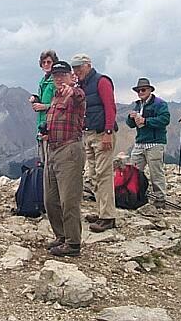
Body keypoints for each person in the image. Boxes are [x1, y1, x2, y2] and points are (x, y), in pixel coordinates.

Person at [41, 61, 86, 257]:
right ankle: (61, 236)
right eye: (55, 75)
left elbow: (79, 97)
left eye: (62, 74)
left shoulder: (75, 94)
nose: (58, 78)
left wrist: (72, 90)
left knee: (69, 199)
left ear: (70, 76)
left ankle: (73, 243)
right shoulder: (55, 97)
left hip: (70, 150)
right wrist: (47, 133)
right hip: (52, 150)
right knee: (50, 200)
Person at [70, 53, 117, 233]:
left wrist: (107, 132)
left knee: (103, 174)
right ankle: (102, 211)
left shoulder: (101, 81)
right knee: (95, 175)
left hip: (101, 134)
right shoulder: (82, 85)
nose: (76, 71)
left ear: (88, 65)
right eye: (74, 68)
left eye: (79, 67)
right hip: (89, 133)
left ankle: (108, 217)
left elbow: (110, 107)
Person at [126, 78, 170, 208]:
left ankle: (160, 199)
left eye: (143, 90)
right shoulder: (138, 105)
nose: (140, 92)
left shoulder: (160, 104)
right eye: (138, 90)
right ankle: (135, 196)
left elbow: (165, 119)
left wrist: (146, 121)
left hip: (155, 143)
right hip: (140, 142)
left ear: (150, 90)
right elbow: (130, 125)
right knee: (134, 171)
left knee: (155, 171)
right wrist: (131, 118)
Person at [28, 50, 58, 165]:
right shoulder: (43, 81)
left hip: (51, 125)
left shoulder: (55, 81)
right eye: (44, 62)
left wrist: (43, 106)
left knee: (50, 162)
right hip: (42, 125)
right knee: (43, 161)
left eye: (49, 62)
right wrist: (36, 99)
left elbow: (60, 103)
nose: (46, 64)